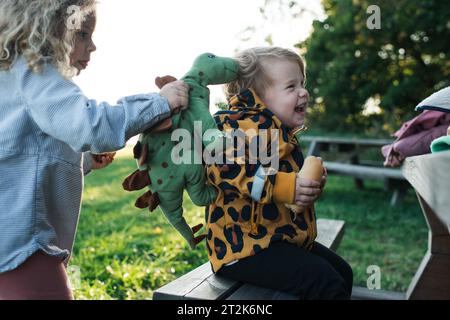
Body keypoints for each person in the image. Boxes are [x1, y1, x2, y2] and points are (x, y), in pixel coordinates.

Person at [0, 0, 189, 300]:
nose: (93, 47)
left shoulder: (10, 79)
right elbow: (91, 124)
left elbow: (27, 149)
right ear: (48, 29)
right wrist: (160, 103)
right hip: (24, 244)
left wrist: (85, 159)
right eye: (83, 34)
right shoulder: (35, 73)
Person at [205, 47, 353, 299]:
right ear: (255, 97)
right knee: (325, 282)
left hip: (278, 240)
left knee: (342, 273)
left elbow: (286, 187)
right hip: (243, 249)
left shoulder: (278, 132)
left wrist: (307, 187)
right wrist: (287, 187)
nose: (304, 92)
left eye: (302, 83)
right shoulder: (235, 129)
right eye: (291, 86)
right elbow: (228, 171)